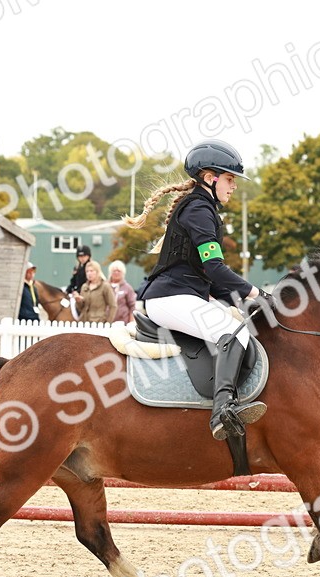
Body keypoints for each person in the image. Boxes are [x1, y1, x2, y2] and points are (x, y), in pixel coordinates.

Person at [122, 138, 265, 440]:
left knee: (237, 324)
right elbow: (215, 269)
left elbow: (212, 279)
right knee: (233, 333)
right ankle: (223, 410)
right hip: (170, 298)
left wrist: (243, 302)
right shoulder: (199, 209)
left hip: (183, 294)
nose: (234, 186)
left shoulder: (204, 207)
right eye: (229, 179)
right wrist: (256, 294)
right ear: (209, 177)